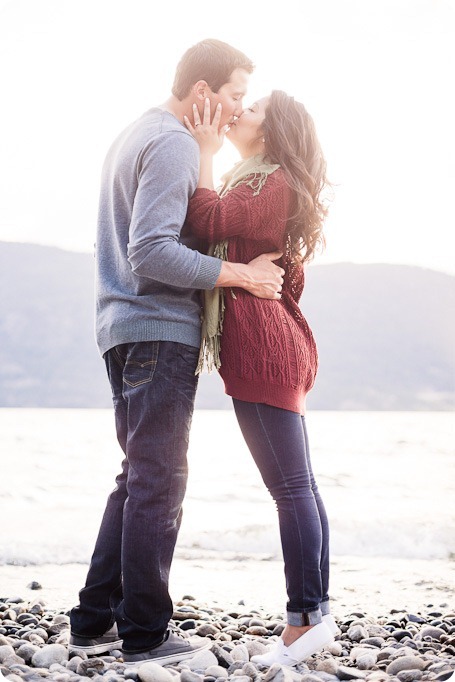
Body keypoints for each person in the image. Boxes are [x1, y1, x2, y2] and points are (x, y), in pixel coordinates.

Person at [69, 39, 284, 667]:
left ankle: (92, 619)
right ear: (203, 94)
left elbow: (173, 229)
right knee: (159, 483)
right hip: (156, 329)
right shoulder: (170, 143)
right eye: (236, 95)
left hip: (124, 328)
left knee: (137, 479)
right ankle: (145, 634)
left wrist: (208, 157)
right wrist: (243, 275)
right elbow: (153, 252)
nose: (241, 107)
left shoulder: (141, 132)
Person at [183, 91, 338, 667]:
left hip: (265, 350)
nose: (239, 113)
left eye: (252, 111)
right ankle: (315, 611)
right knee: (301, 485)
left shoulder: (267, 184)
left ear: (268, 134)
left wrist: (202, 149)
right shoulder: (261, 180)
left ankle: (303, 622)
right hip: (276, 345)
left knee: (291, 489)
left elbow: (205, 220)